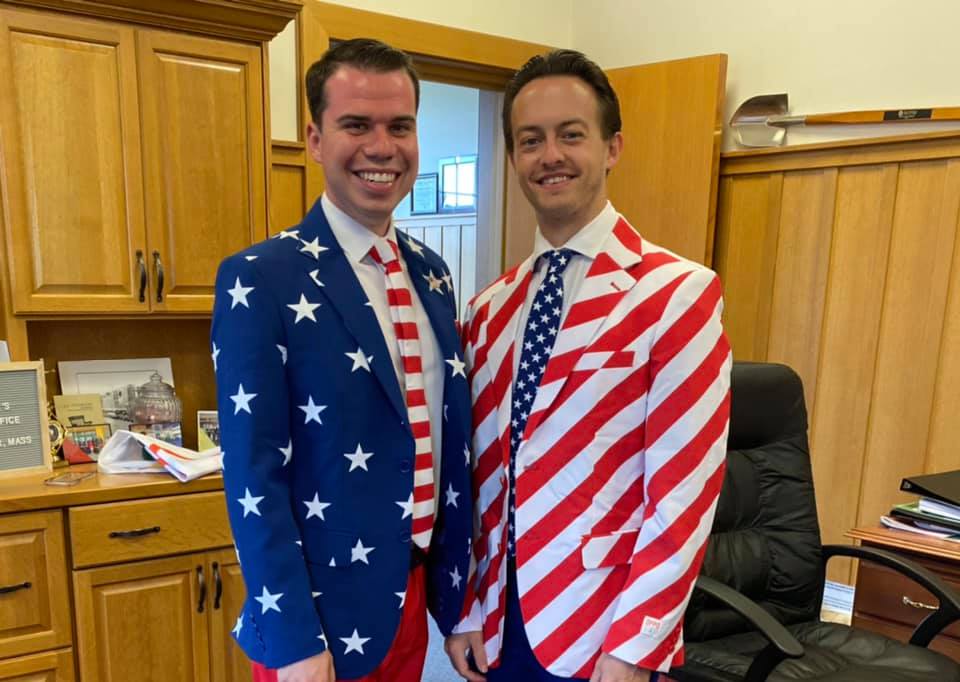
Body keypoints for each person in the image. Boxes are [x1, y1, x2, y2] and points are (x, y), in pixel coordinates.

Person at [444, 50, 731, 682]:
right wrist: (463, 605)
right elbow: (476, 480)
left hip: (605, 629)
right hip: (500, 620)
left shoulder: (677, 293)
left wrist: (637, 646)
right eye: (530, 140)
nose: (551, 156)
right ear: (514, 158)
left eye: (571, 134)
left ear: (612, 147)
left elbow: (684, 493)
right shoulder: (487, 310)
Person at [211, 38, 473, 682]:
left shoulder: (432, 275)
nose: (381, 147)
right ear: (315, 138)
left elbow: (449, 445)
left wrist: (459, 600)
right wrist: (296, 639)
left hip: (411, 600)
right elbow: (252, 477)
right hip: (315, 616)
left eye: (400, 126)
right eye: (356, 124)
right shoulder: (260, 277)